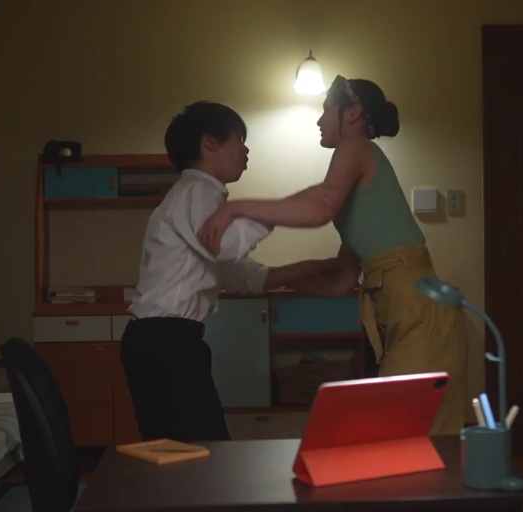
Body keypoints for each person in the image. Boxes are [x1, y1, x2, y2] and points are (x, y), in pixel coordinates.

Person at [196, 77, 468, 434]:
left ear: (352, 113)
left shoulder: (356, 147)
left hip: (420, 311)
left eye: (327, 109)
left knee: (410, 434)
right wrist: (272, 282)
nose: (320, 120)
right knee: (407, 434)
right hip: (406, 310)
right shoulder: (353, 184)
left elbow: (321, 204)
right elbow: (341, 279)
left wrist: (235, 208)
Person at [122, 101, 334, 442]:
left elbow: (245, 277)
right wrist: (285, 210)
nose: (246, 150)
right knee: (197, 449)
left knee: (188, 448)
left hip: (165, 341)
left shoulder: (199, 198)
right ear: (210, 142)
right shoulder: (197, 190)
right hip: (164, 342)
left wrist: (319, 267)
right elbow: (226, 246)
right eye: (240, 139)